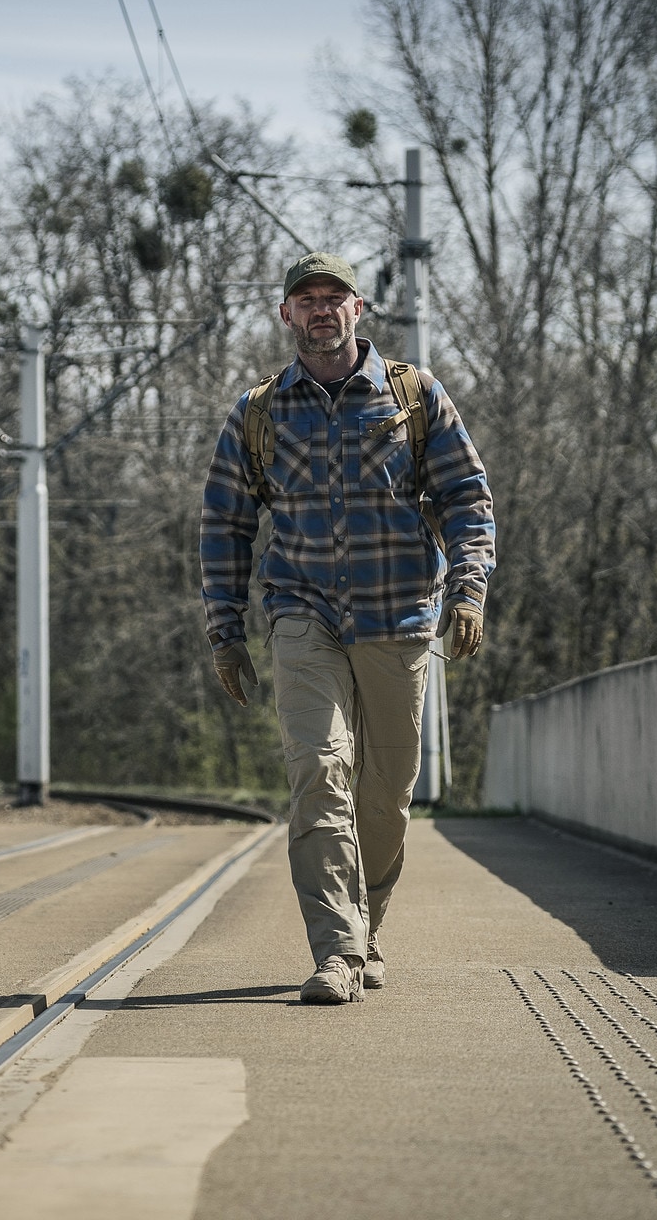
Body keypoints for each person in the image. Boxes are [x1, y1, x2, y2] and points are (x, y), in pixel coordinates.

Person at [199, 251, 495, 1005]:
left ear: (359, 310)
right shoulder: (260, 411)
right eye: (307, 299)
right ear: (286, 316)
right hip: (302, 616)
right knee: (320, 772)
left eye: (336, 297)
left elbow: (467, 495)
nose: (322, 309)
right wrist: (224, 629)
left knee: (387, 792)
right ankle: (336, 950)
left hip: (398, 615)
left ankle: (367, 927)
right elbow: (225, 524)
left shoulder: (412, 395)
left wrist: (469, 589)